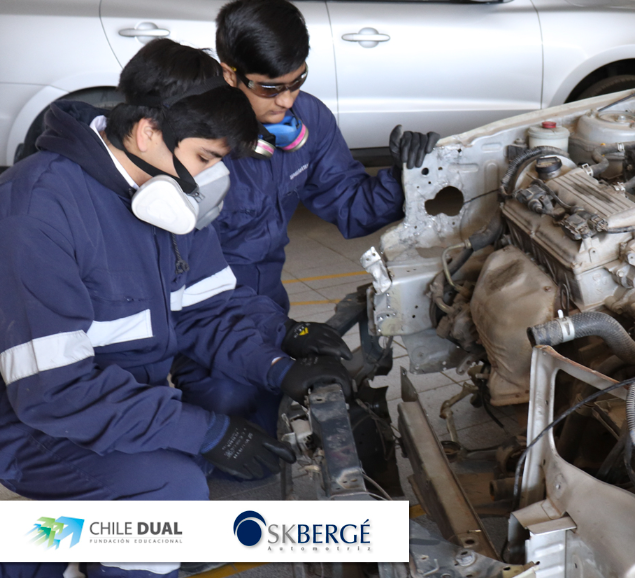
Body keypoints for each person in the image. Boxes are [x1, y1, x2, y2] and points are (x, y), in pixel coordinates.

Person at [0, 38, 350, 578]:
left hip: (112, 399)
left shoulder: (163, 195)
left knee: (182, 460)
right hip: (31, 422)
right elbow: (54, 393)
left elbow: (208, 313)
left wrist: (281, 366)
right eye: (206, 158)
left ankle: (57, 557)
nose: (210, 181)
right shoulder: (37, 212)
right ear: (147, 131)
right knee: (169, 487)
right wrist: (208, 431)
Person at [171, 0, 440, 434]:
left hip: (269, 301)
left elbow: (349, 204)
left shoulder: (307, 119)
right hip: (207, 311)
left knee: (282, 408)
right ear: (229, 74)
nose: (288, 100)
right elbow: (190, 281)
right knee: (230, 404)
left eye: (297, 82)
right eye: (270, 89)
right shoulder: (195, 142)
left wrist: (405, 176)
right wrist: (281, 332)